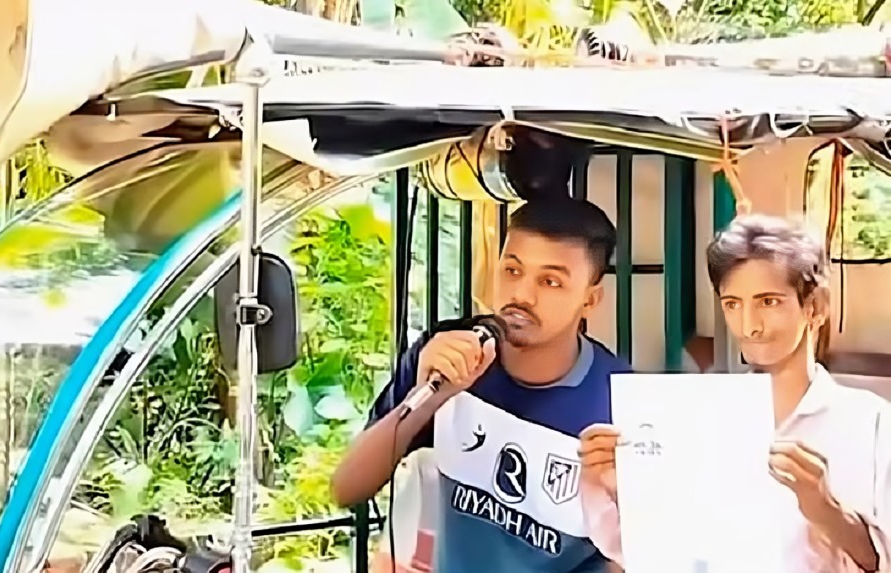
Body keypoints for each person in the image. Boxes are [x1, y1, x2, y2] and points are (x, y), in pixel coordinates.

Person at [331, 197, 631, 573]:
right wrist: (427, 398)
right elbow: (347, 488)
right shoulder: (447, 353)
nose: (522, 295)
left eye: (550, 281)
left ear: (590, 299)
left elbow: (637, 557)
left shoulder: (621, 403)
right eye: (512, 270)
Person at [578, 214, 891, 572]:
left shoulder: (872, 425)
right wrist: (613, 486)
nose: (749, 326)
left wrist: (825, 510)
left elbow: (879, 560)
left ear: (815, 306)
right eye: (733, 304)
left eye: (768, 302)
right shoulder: (695, 418)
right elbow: (650, 552)